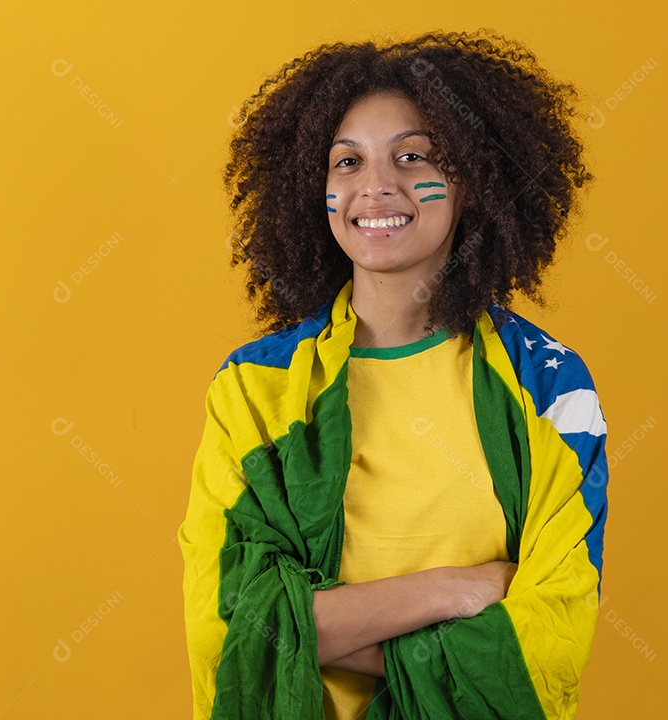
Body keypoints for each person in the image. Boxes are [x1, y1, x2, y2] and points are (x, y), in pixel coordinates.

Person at [178, 29, 610, 720]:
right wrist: (454, 591)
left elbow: (549, 643)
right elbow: (226, 624)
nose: (375, 186)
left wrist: (315, 631)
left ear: (473, 179)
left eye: (413, 157)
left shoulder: (548, 387)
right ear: (312, 189)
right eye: (345, 162)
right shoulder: (253, 390)